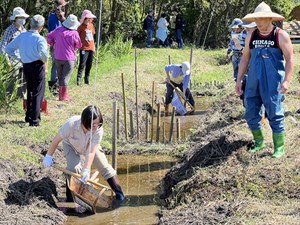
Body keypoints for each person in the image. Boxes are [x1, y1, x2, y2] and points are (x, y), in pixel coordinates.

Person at [235, 2, 294, 158]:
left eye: (262, 19)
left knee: (275, 112)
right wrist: (239, 80)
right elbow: (245, 59)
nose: (259, 22)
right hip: (253, 81)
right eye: (257, 19)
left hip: (273, 82)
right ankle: (259, 142)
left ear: (270, 18)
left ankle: (279, 147)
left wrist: (286, 80)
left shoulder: (280, 35)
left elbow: (290, 59)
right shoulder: (251, 35)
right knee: (250, 112)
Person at [42, 105, 125, 202]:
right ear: (85, 121)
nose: (96, 126)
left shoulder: (98, 130)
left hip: (89, 146)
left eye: (98, 123)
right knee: (74, 169)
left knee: (105, 167)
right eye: (93, 124)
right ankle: (70, 199)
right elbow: (56, 140)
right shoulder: (71, 124)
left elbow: (91, 152)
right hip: (71, 145)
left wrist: (86, 169)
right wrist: (48, 156)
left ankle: (120, 195)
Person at [5, 15, 48, 127]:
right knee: (38, 92)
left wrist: (19, 58)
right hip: (37, 65)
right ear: (41, 27)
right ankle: (34, 120)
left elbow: (8, 48)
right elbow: (44, 54)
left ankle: (28, 116)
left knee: (30, 90)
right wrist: (44, 60)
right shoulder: (40, 39)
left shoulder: (22, 36)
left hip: (26, 65)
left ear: (30, 24)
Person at [47, 14, 82, 101]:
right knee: (66, 77)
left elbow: (49, 36)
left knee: (60, 76)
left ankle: (61, 95)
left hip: (58, 56)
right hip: (69, 58)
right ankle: (63, 96)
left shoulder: (59, 30)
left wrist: (53, 43)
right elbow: (78, 45)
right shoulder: (74, 33)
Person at [0, 7, 29, 98]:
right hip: (12, 60)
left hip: (23, 58)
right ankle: (8, 99)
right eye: (20, 17)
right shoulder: (10, 30)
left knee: (23, 80)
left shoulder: (24, 30)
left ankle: (21, 98)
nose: (22, 19)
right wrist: (6, 60)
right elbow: (3, 45)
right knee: (11, 81)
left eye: (23, 18)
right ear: (15, 18)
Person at [47, 0, 68, 95]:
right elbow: (56, 33)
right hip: (56, 45)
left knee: (61, 65)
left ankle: (60, 86)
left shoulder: (60, 17)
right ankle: (53, 87)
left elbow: (68, 27)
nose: (63, 8)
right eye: (61, 7)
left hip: (62, 44)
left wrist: (63, 18)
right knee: (56, 65)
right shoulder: (53, 17)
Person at [76, 10, 96, 86]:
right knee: (82, 64)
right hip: (84, 48)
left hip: (91, 47)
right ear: (86, 18)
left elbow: (92, 37)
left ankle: (87, 79)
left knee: (89, 64)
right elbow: (77, 37)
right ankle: (78, 79)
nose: (91, 19)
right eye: (90, 17)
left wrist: (94, 47)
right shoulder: (80, 27)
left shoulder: (91, 26)